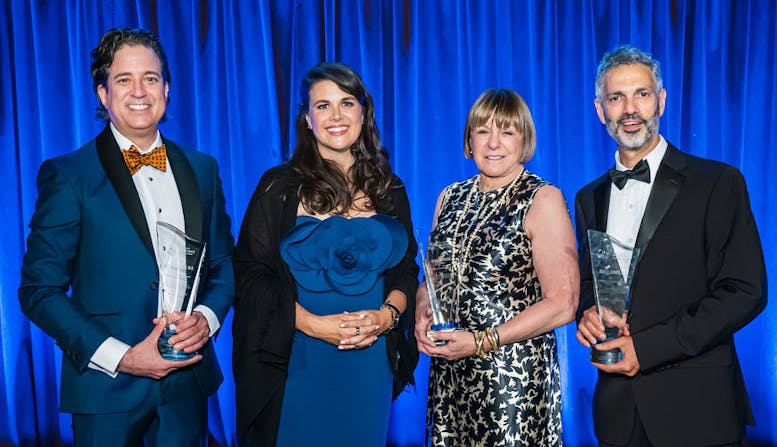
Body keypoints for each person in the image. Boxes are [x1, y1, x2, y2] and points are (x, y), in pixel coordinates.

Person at [17, 28, 234, 445]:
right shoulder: (68, 175)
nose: (140, 90)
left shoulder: (203, 169)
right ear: (103, 94)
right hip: (105, 394)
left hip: (187, 389)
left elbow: (223, 265)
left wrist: (206, 321)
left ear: (167, 89)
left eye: (150, 78)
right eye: (123, 79)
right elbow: (39, 290)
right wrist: (124, 356)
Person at [575, 45, 767, 447]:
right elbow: (595, 284)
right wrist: (587, 312)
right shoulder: (588, 197)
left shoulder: (717, 182)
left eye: (641, 94)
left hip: (699, 411)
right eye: (616, 97)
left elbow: (745, 292)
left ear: (661, 100)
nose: (630, 108)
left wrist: (646, 348)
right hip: (618, 416)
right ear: (600, 110)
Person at [232, 62, 419, 447]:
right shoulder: (278, 187)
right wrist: (317, 327)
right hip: (297, 358)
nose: (336, 116)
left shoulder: (390, 187)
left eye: (347, 103)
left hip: (369, 364)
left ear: (363, 112)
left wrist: (387, 318)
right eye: (322, 106)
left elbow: (405, 271)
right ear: (306, 118)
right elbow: (251, 275)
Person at [416, 88, 579, 446]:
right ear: (469, 139)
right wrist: (422, 311)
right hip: (452, 372)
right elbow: (436, 277)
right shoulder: (450, 196)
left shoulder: (542, 198)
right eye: (483, 130)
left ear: (524, 140)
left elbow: (564, 303)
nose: (493, 143)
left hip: (512, 379)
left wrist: (481, 341)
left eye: (507, 131)